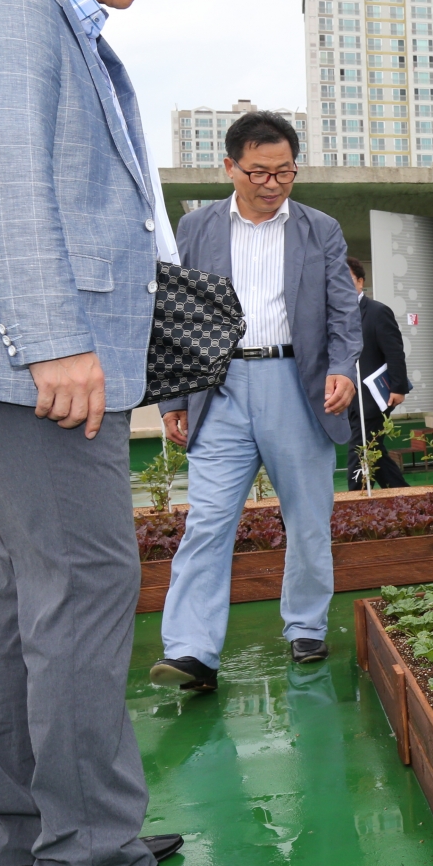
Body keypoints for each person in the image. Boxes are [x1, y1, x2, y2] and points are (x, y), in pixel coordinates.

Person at [0, 0, 190, 866]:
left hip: (32, 357)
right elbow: (1, 183)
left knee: (35, 584)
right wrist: (51, 342)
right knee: (84, 581)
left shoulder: (58, 19)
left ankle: (35, 827)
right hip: (33, 357)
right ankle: (88, 842)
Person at [152, 111, 361, 691]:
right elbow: (173, 319)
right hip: (218, 389)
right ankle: (191, 651)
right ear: (230, 167)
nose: (272, 185)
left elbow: (344, 312)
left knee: (307, 519)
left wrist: (343, 369)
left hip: (298, 384)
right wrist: (173, 398)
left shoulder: (320, 229)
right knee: (209, 521)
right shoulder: (195, 230)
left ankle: (305, 625)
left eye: (285, 173)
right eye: (259, 173)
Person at [345, 256, 411, 490]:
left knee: (360, 450)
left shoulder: (377, 312)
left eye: (348, 278)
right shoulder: (334, 316)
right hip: (348, 397)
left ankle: (355, 502)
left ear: (360, 282)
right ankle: (404, 495)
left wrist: (398, 387)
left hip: (374, 396)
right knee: (374, 451)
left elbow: (395, 352)